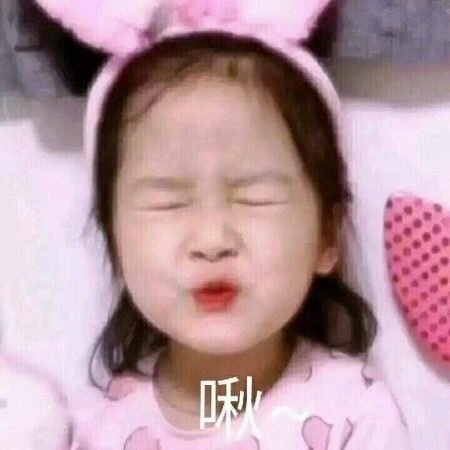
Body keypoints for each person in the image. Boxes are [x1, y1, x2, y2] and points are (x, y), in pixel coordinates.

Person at [36, 1, 411, 448]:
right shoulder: (92, 427)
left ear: (327, 236)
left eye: (255, 196)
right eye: (168, 202)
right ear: (114, 239)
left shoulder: (355, 413)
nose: (212, 240)